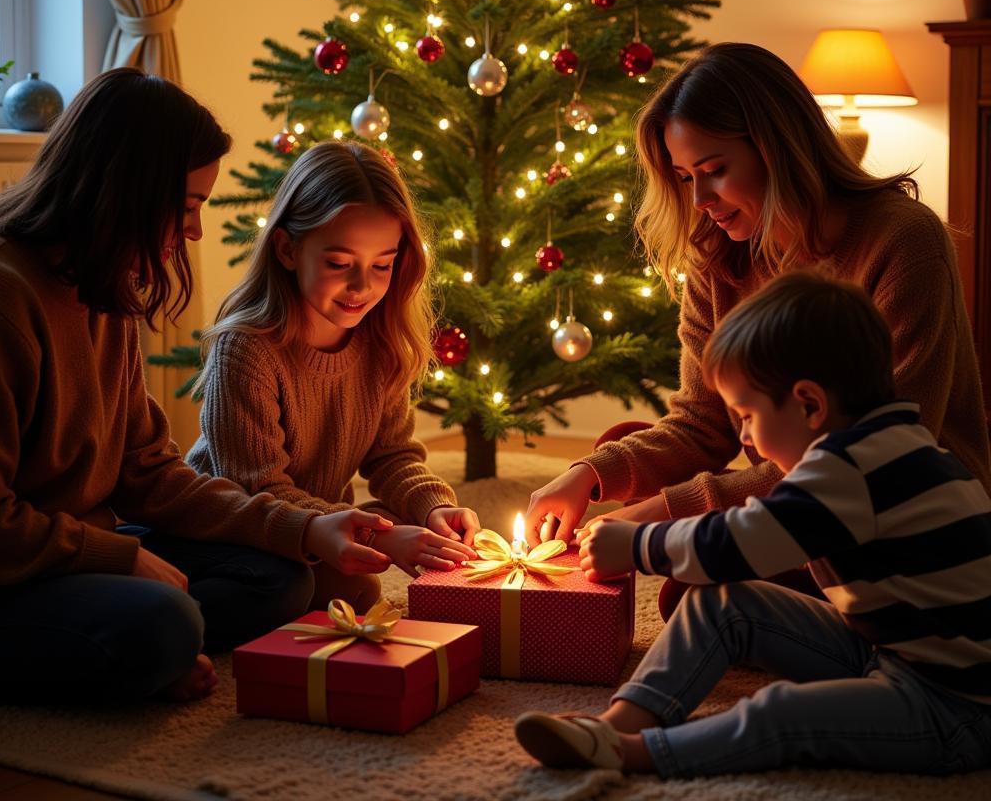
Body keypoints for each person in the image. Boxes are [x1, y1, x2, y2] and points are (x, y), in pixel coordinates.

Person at [0, 69, 392, 705]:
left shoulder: (97, 282)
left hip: (72, 547)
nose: (192, 234)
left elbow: (149, 474)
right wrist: (119, 560)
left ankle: (135, 652)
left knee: (280, 579)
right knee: (165, 623)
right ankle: (145, 650)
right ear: (124, 189)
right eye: (188, 207)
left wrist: (304, 531)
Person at [525, 42, 991, 615]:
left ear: (778, 148)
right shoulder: (718, 256)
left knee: (691, 593)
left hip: (900, 525)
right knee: (615, 453)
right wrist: (590, 475)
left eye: (715, 171)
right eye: (683, 177)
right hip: (794, 502)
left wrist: (662, 514)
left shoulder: (903, 241)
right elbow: (703, 424)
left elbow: (879, 454)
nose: (700, 201)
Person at [515, 271, 991, 777]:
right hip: (888, 649)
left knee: (783, 712)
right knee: (721, 601)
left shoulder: (852, 469)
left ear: (809, 404)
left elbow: (740, 542)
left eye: (746, 415)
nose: (745, 438)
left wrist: (638, 544)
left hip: (954, 706)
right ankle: (619, 723)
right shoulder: (892, 443)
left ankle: (634, 754)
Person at [187, 140, 480, 613]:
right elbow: (260, 491)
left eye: (382, 265)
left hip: (312, 522)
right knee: (319, 585)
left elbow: (393, 456)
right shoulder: (247, 349)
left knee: (361, 580)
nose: (363, 287)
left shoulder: (378, 343)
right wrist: (377, 536)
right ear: (286, 249)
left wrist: (432, 508)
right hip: (234, 527)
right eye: (339, 264)